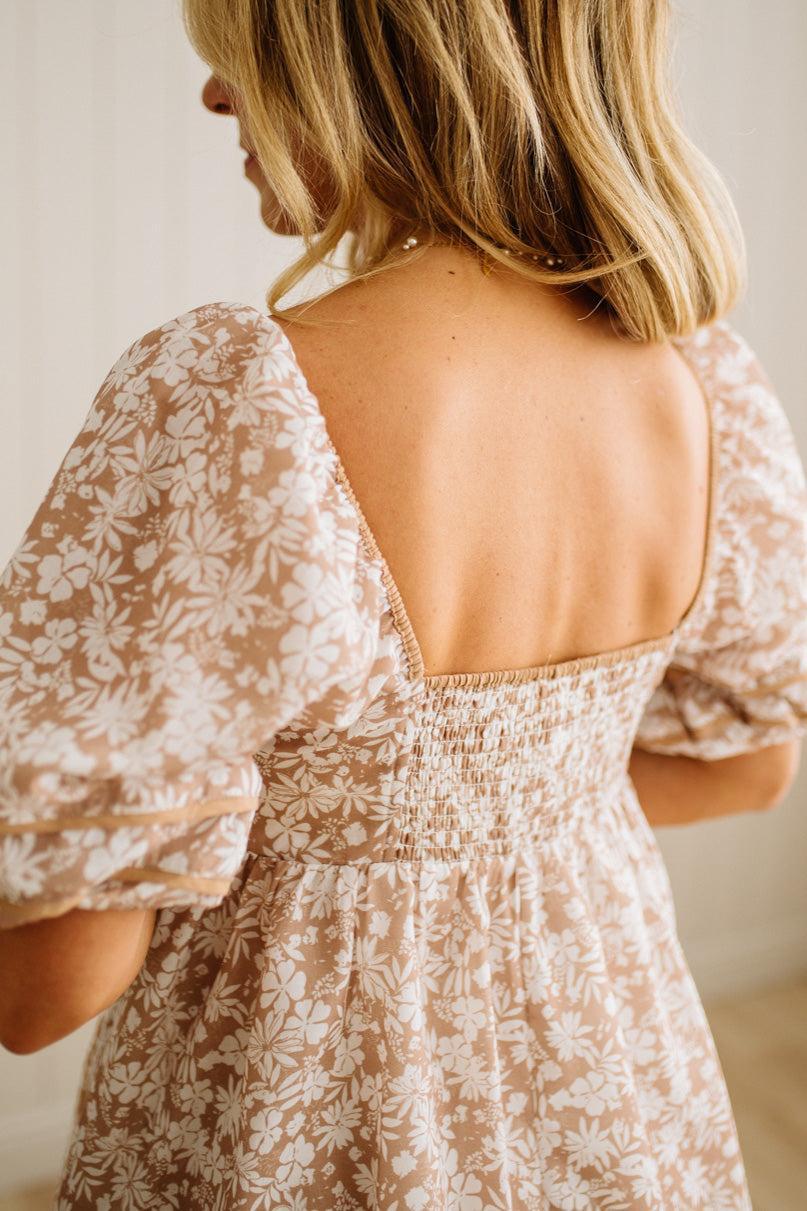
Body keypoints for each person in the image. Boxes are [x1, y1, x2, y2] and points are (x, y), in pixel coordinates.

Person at [0, 1, 805, 1207]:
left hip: (299, 1099)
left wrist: (324, 835)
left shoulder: (229, 400)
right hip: (608, 1072)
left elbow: (42, 986)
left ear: (376, 69)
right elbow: (747, 765)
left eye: (249, 57)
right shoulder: (703, 385)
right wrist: (486, 808)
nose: (216, 97)